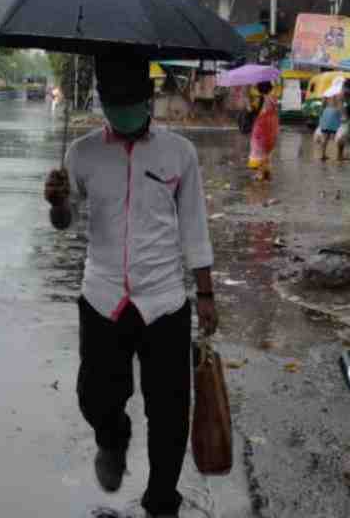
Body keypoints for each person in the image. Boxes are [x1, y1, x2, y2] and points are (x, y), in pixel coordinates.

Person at [43, 54, 217, 518]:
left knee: (169, 413)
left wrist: (205, 293)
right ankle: (112, 438)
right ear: (103, 102)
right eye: (115, 102)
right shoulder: (80, 154)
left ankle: (162, 499)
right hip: (102, 298)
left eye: (133, 102)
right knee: (95, 396)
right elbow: (64, 223)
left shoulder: (179, 154)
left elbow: (195, 225)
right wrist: (57, 203)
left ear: (148, 100)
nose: (124, 111)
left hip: (164, 301)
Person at [247, 81, 279, 181]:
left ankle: (260, 174)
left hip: (261, 129)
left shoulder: (259, 100)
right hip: (272, 128)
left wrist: (248, 103)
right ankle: (267, 172)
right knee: (266, 152)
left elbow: (252, 112)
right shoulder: (273, 99)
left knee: (258, 151)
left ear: (259, 89)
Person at [314, 93, 348, 161]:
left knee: (325, 136)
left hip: (326, 113)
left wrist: (320, 117)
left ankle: (323, 155)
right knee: (341, 136)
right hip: (336, 113)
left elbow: (322, 106)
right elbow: (341, 106)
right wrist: (344, 116)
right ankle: (339, 156)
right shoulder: (339, 93)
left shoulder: (326, 93)